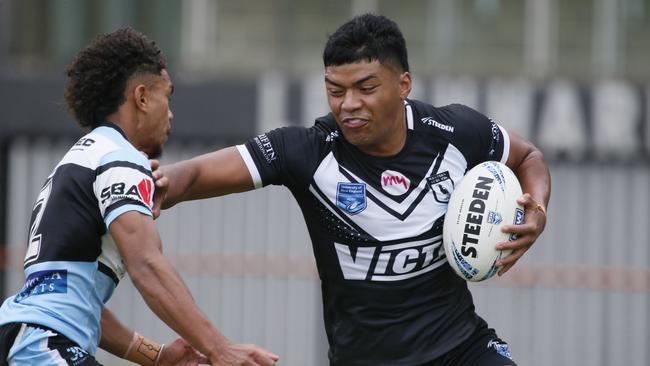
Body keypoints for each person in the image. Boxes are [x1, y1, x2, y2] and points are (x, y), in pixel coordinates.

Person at [154, 14, 551, 366]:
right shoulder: (307, 152)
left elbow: (528, 156)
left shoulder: (454, 132)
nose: (348, 105)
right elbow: (193, 176)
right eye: (335, 90)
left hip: (462, 348)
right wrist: (157, 185)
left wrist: (538, 210)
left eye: (365, 87)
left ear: (403, 84)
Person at [0, 28, 279, 366]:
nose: (171, 113)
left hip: (27, 338)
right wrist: (220, 349)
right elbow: (145, 264)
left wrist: (158, 357)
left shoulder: (80, 159)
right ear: (142, 97)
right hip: (43, 345)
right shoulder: (120, 157)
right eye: (168, 97)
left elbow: (81, 307)